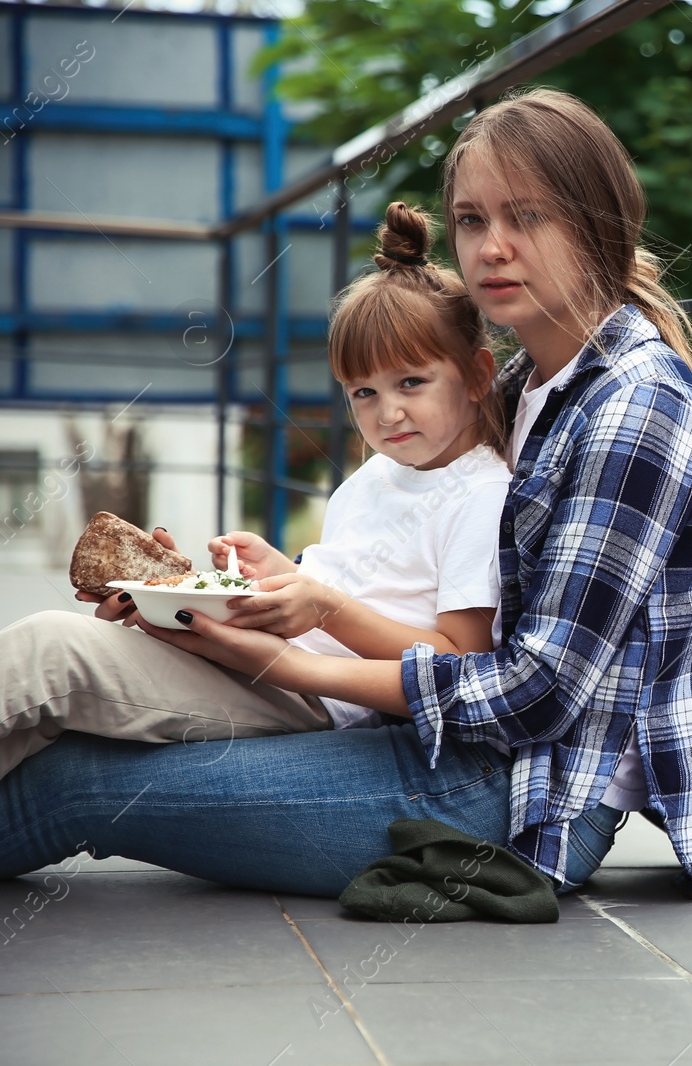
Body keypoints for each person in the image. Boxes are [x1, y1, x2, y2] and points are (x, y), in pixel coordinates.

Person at [0, 86, 692, 897]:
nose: (492, 247)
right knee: (64, 692)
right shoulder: (525, 383)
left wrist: (284, 659)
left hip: (515, 797)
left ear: (599, 225)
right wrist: (212, 600)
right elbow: (398, 560)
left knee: (76, 782)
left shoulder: (633, 411)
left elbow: (537, 693)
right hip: (441, 739)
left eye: (528, 217)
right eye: (473, 220)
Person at [0, 201, 512, 780]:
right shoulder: (378, 474)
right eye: (362, 392)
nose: (387, 412)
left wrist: (322, 608)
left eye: (411, 382)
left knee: (52, 651)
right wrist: (267, 576)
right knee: (44, 699)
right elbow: (354, 582)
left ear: (477, 376)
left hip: (313, 698)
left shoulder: (481, 493)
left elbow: (462, 661)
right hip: (264, 662)